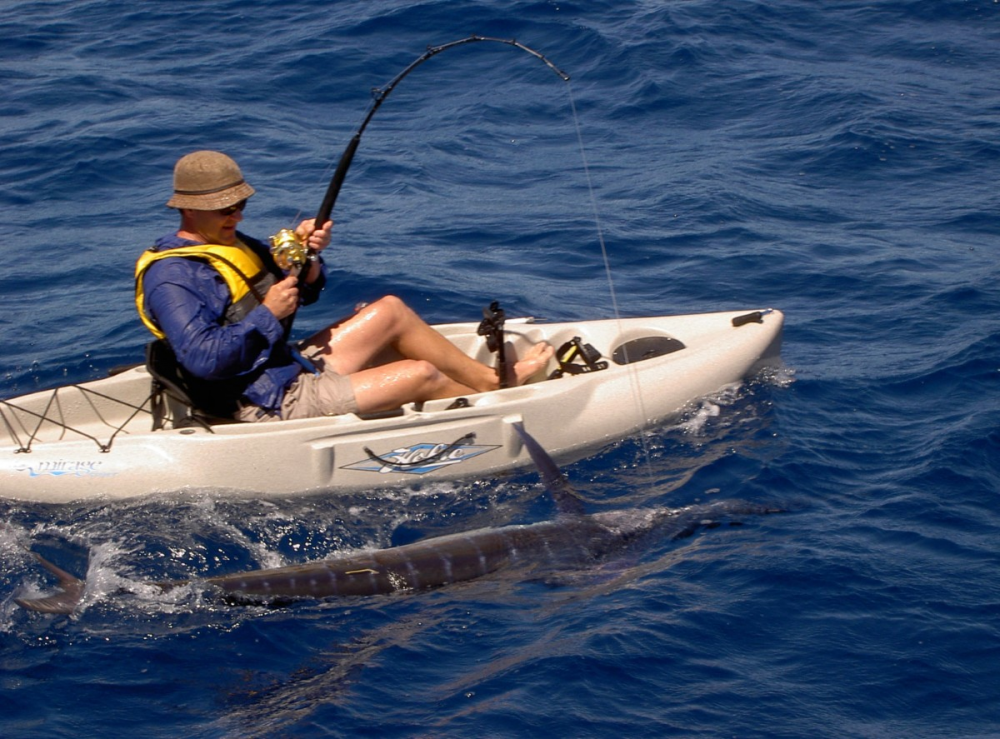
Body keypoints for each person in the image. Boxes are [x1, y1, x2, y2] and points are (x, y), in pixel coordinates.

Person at [135, 150, 554, 422]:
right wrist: (268, 314)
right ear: (189, 210)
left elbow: (305, 291)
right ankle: (501, 406)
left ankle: (490, 382)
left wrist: (308, 259)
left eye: (240, 205)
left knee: (390, 309)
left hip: (283, 367)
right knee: (420, 374)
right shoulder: (172, 278)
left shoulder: (231, 243)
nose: (237, 216)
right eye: (225, 209)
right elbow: (203, 359)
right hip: (259, 401)